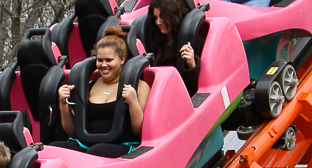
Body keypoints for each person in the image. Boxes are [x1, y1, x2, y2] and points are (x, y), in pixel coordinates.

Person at [56, 27, 150, 158]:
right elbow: (73, 132)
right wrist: (63, 104)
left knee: (96, 152)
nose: (103, 65)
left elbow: (139, 130)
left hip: (122, 145)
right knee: (53, 150)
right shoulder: (89, 85)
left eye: (109, 60)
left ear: (122, 59)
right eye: (100, 60)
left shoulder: (139, 86)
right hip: (86, 145)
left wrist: (133, 101)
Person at [146, 0, 203, 96]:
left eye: (162, 17)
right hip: (157, 93)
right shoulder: (155, 41)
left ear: (173, 16)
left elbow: (198, 86)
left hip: (180, 95)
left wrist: (192, 65)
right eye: (155, 18)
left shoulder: (193, 40)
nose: (158, 22)